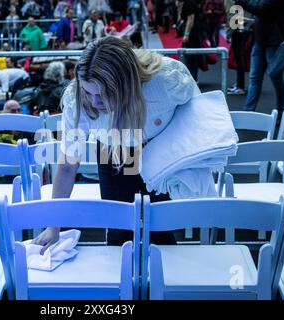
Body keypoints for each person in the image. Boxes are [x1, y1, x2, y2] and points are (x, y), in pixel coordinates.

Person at [33, 37, 200, 249]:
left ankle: (164, 278)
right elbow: (67, 166)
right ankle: (120, 277)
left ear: (127, 84)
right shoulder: (77, 100)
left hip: (161, 144)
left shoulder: (168, 81)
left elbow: (200, 117)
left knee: (160, 229)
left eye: (104, 94)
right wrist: (53, 226)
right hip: (113, 147)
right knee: (119, 231)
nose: (95, 103)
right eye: (89, 92)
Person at [235, 0, 284, 115]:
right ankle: (248, 113)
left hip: (273, 40)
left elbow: (261, 8)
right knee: (256, 77)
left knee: (275, 77)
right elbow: (261, 9)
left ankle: (280, 111)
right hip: (261, 39)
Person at [179, 0, 201, 81]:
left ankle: (192, 79)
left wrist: (186, 34)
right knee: (192, 57)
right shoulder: (192, 2)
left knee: (190, 57)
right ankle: (193, 78)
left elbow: (190, 18)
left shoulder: (188, 2)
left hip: (192, 33)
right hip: (196, 32)